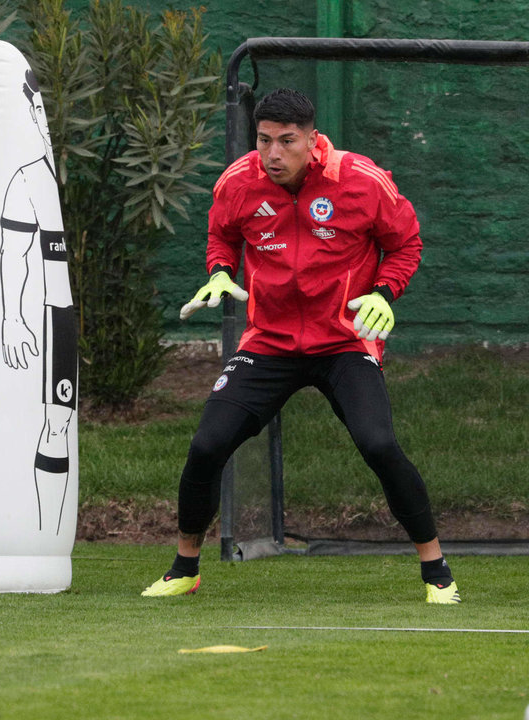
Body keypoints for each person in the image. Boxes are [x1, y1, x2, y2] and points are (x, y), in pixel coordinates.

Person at [142, 88, 459, 604]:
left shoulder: (361, 179)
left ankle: (436, 571)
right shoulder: (238, 182)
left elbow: (405, 243)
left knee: (379, 445)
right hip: (269, 342)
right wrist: (220, 273)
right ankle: (185, 568)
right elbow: (222, 235)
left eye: (287, 141)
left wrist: (384, 292)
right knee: (206, 446)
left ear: (312, 139)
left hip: (343, 341)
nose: (273, 154)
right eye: (264, 140)